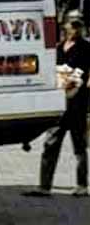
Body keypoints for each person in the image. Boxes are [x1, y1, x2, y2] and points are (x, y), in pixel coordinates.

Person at [24, 12, 90, 197]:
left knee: (79, 146)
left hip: (78, 103)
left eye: (79, 25)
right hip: (59, 104)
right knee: (50, 144)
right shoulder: (58, 47)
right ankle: (45, 186)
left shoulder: (86, 48)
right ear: (65, 26)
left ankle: (82, 185)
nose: (76, 28)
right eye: (73, 24)